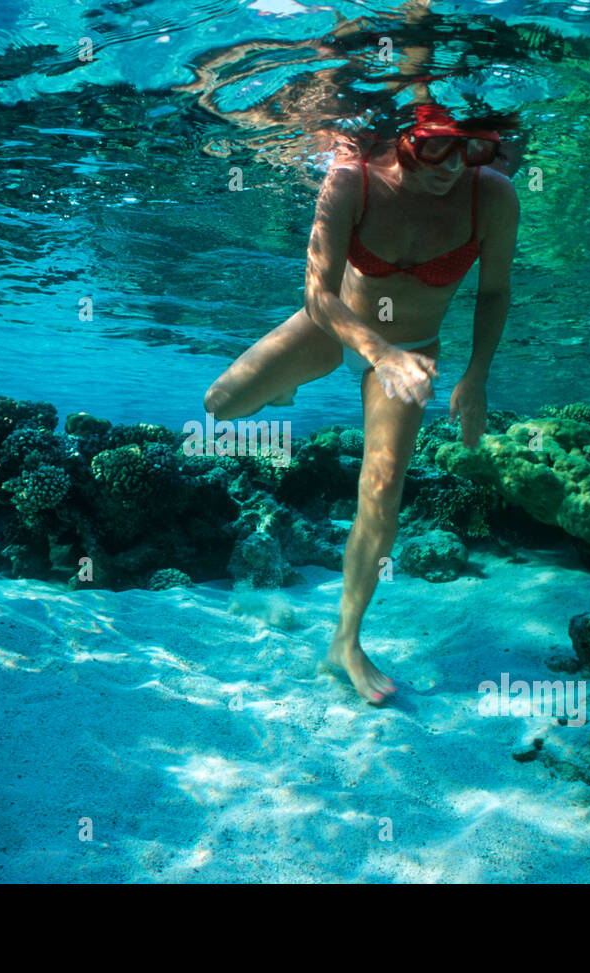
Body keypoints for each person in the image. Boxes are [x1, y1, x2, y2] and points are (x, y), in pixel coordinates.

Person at [203, 103, 521, 703]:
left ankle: (345, 642)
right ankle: (285, 385)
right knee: (220, 405)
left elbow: (496, 290)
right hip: (336, 331)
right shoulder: (350, 179)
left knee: (381, 488)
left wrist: (475, 376)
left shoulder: (494, 197)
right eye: (436, 147)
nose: (452, 165)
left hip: (412, 351)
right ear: (405, 140)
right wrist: (377, 351)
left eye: (468, 149)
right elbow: (318, 293)